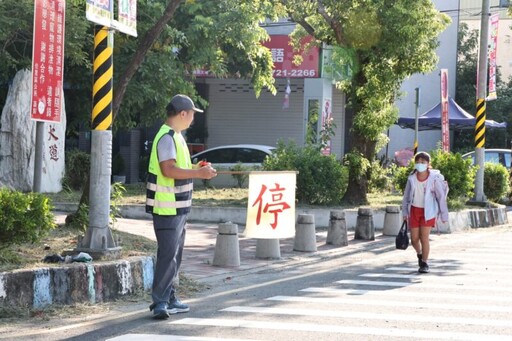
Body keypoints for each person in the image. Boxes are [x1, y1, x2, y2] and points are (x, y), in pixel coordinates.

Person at [146, 94, 217, 319]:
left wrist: (198, 168)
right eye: (192, 114)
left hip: (178, 208)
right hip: (167, 209)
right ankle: (160, 303)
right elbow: (168, 170)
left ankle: (170, 297)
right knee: (168, 256)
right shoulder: (167, 137)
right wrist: (198, 173)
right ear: (182, 113)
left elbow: (180, 168)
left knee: (175, 256)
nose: (193, 119)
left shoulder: (176, 136)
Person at [401, 151, 448, 273]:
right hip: (414, 211)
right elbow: (406, 197)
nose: (420, 164)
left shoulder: (434, 179)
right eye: (417, 162)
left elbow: (440, 197)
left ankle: (425, 263)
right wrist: (405, 212)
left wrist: (444, 215)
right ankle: (420, 254)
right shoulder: (411, 178)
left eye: (423, 162)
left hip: (429, 212)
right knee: (414, 239)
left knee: (424, 238)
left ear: (428, 164)